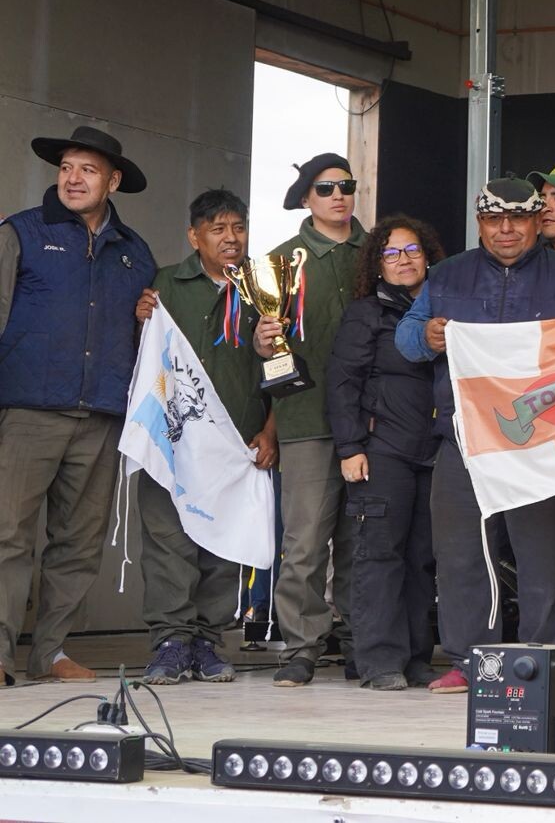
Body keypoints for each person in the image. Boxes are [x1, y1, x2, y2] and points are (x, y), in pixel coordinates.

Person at [396, 178, 555, 692]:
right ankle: (468, 662)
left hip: (543, 438)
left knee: (544, 555)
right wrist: (426, 334)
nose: (505, 230)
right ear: (479, 223)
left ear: (536, 221)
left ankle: (543, 662)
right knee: (461, 554)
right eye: (492, 220)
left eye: (518, 219)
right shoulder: (446, 273)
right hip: (463, 435)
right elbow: (407, 339)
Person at [0, 127, 156, 685]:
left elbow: (149, 343)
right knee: (6, 533)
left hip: (101, 417)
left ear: (112, 181)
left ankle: (52, 652)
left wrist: (146, 319)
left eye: (87, 170)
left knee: (77, 544)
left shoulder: (134, 253)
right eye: (66, 167)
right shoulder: (21, 232)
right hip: (27, 409)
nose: (72, 178)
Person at [132, 190, 275, 685]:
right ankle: (171, 642)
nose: (230, 238)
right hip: (173, 440)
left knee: (223, 542)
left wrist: (271, 429)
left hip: (237, 442)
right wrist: (140, 320)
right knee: (169, 542)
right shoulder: (166, 284)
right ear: (194, 237)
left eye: (238, 227)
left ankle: (209, 642)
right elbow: (145, 356)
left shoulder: (264, 285)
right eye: (217, 229)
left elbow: (285, 363)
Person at [253, 153, 368, 687]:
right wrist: (260, 342)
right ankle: (301, 646)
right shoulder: (277, 262)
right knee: (304, 540)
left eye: (345, 185)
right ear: (306, 198)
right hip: (307, 419)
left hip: (377, 420)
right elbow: (264, 349)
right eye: (325, 189)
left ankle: (358, 639)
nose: (338, 195)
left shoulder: (384, 251)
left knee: (364, 540)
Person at [326, 215, 446, 691]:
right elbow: (342, 383)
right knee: (379, 554)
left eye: (413, 250)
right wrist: (351, 446)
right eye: (392, 253)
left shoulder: (444, 310)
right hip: (383, 452)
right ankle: (377, 660)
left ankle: (417, 657)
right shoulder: (365, 314)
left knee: (422, 558)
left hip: (433, 451)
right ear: (377, 264)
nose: (404, 260)